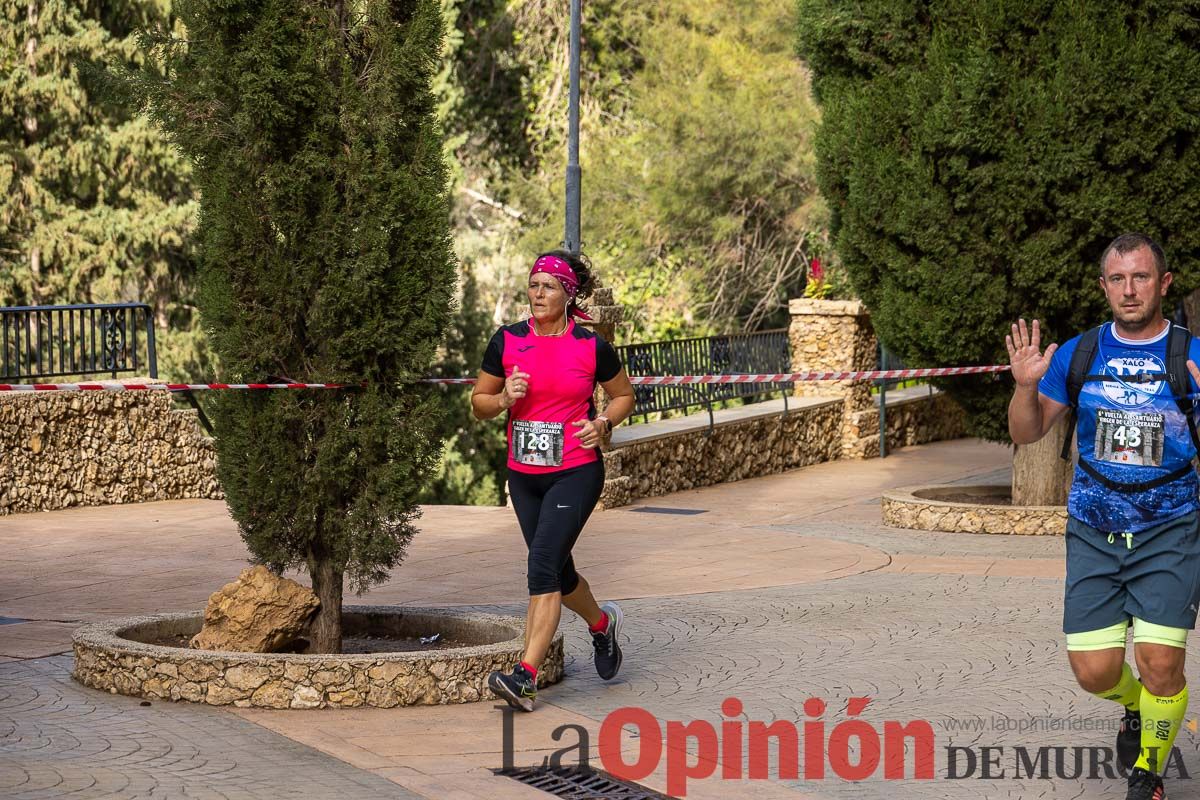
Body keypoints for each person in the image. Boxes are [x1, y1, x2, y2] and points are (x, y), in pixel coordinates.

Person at [1007, 232, 1200, 800]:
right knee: (1093, 672)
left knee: (1161, 662)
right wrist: (1024, 388)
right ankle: (1135, 709)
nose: (1129, 289)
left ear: (1163, 283)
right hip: (1093, 532)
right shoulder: (1079, 353)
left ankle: (1150, 771)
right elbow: (1028, 431)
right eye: (1117, 279)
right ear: (1103, 287)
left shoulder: (1189, 355)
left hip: (1170, 528)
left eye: (1141, 277)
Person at [472, 249, 636, 712]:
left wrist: (603, 422)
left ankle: (524, 676)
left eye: (549, 285)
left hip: (576, 470)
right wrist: (504, 397)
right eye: (533, 284)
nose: (538, 293)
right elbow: (478, 402)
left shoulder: (590, 345)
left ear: (568, 293)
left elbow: (624, 395)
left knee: (542, 565)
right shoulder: (505, 341)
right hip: (524, 477)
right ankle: (602, 625)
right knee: (558, 573)